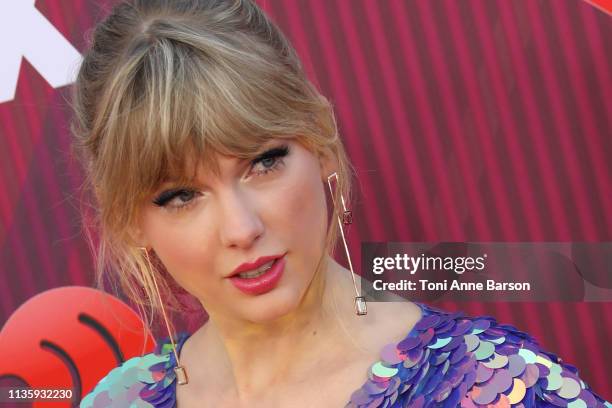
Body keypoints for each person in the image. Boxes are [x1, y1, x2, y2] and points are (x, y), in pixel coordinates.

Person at [72, 0, 610, 407]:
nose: (241, 227)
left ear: (322, 140)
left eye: (263, 162)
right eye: (181, 195)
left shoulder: (498, 387)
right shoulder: (118, 401)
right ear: (129, 218)